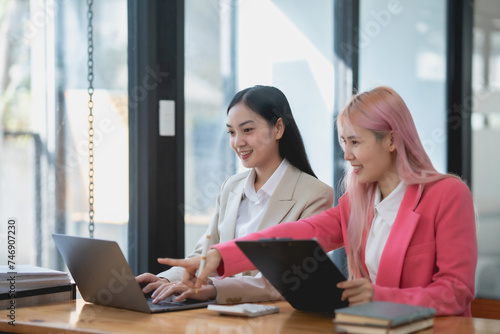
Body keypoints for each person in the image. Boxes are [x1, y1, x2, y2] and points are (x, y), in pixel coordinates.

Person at [160, 86, 478, 316]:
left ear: (392, 140)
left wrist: (378, 295)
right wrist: (221, 255)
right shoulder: (358, 201)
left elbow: (456, 292)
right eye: (344, 142)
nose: (347, 155)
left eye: (355, 142)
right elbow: (299, 233)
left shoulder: (447, 195)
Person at [136, 85, 334, 304]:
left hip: (272, 319)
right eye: (231, 132)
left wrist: (213, 288)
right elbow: (204, 255)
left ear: (278, 128)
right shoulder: (231, 187)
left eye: (247, 130)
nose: (238, 142)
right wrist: (164, 281)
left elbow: (288, 280)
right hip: (218, 314)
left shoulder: (315, 195)